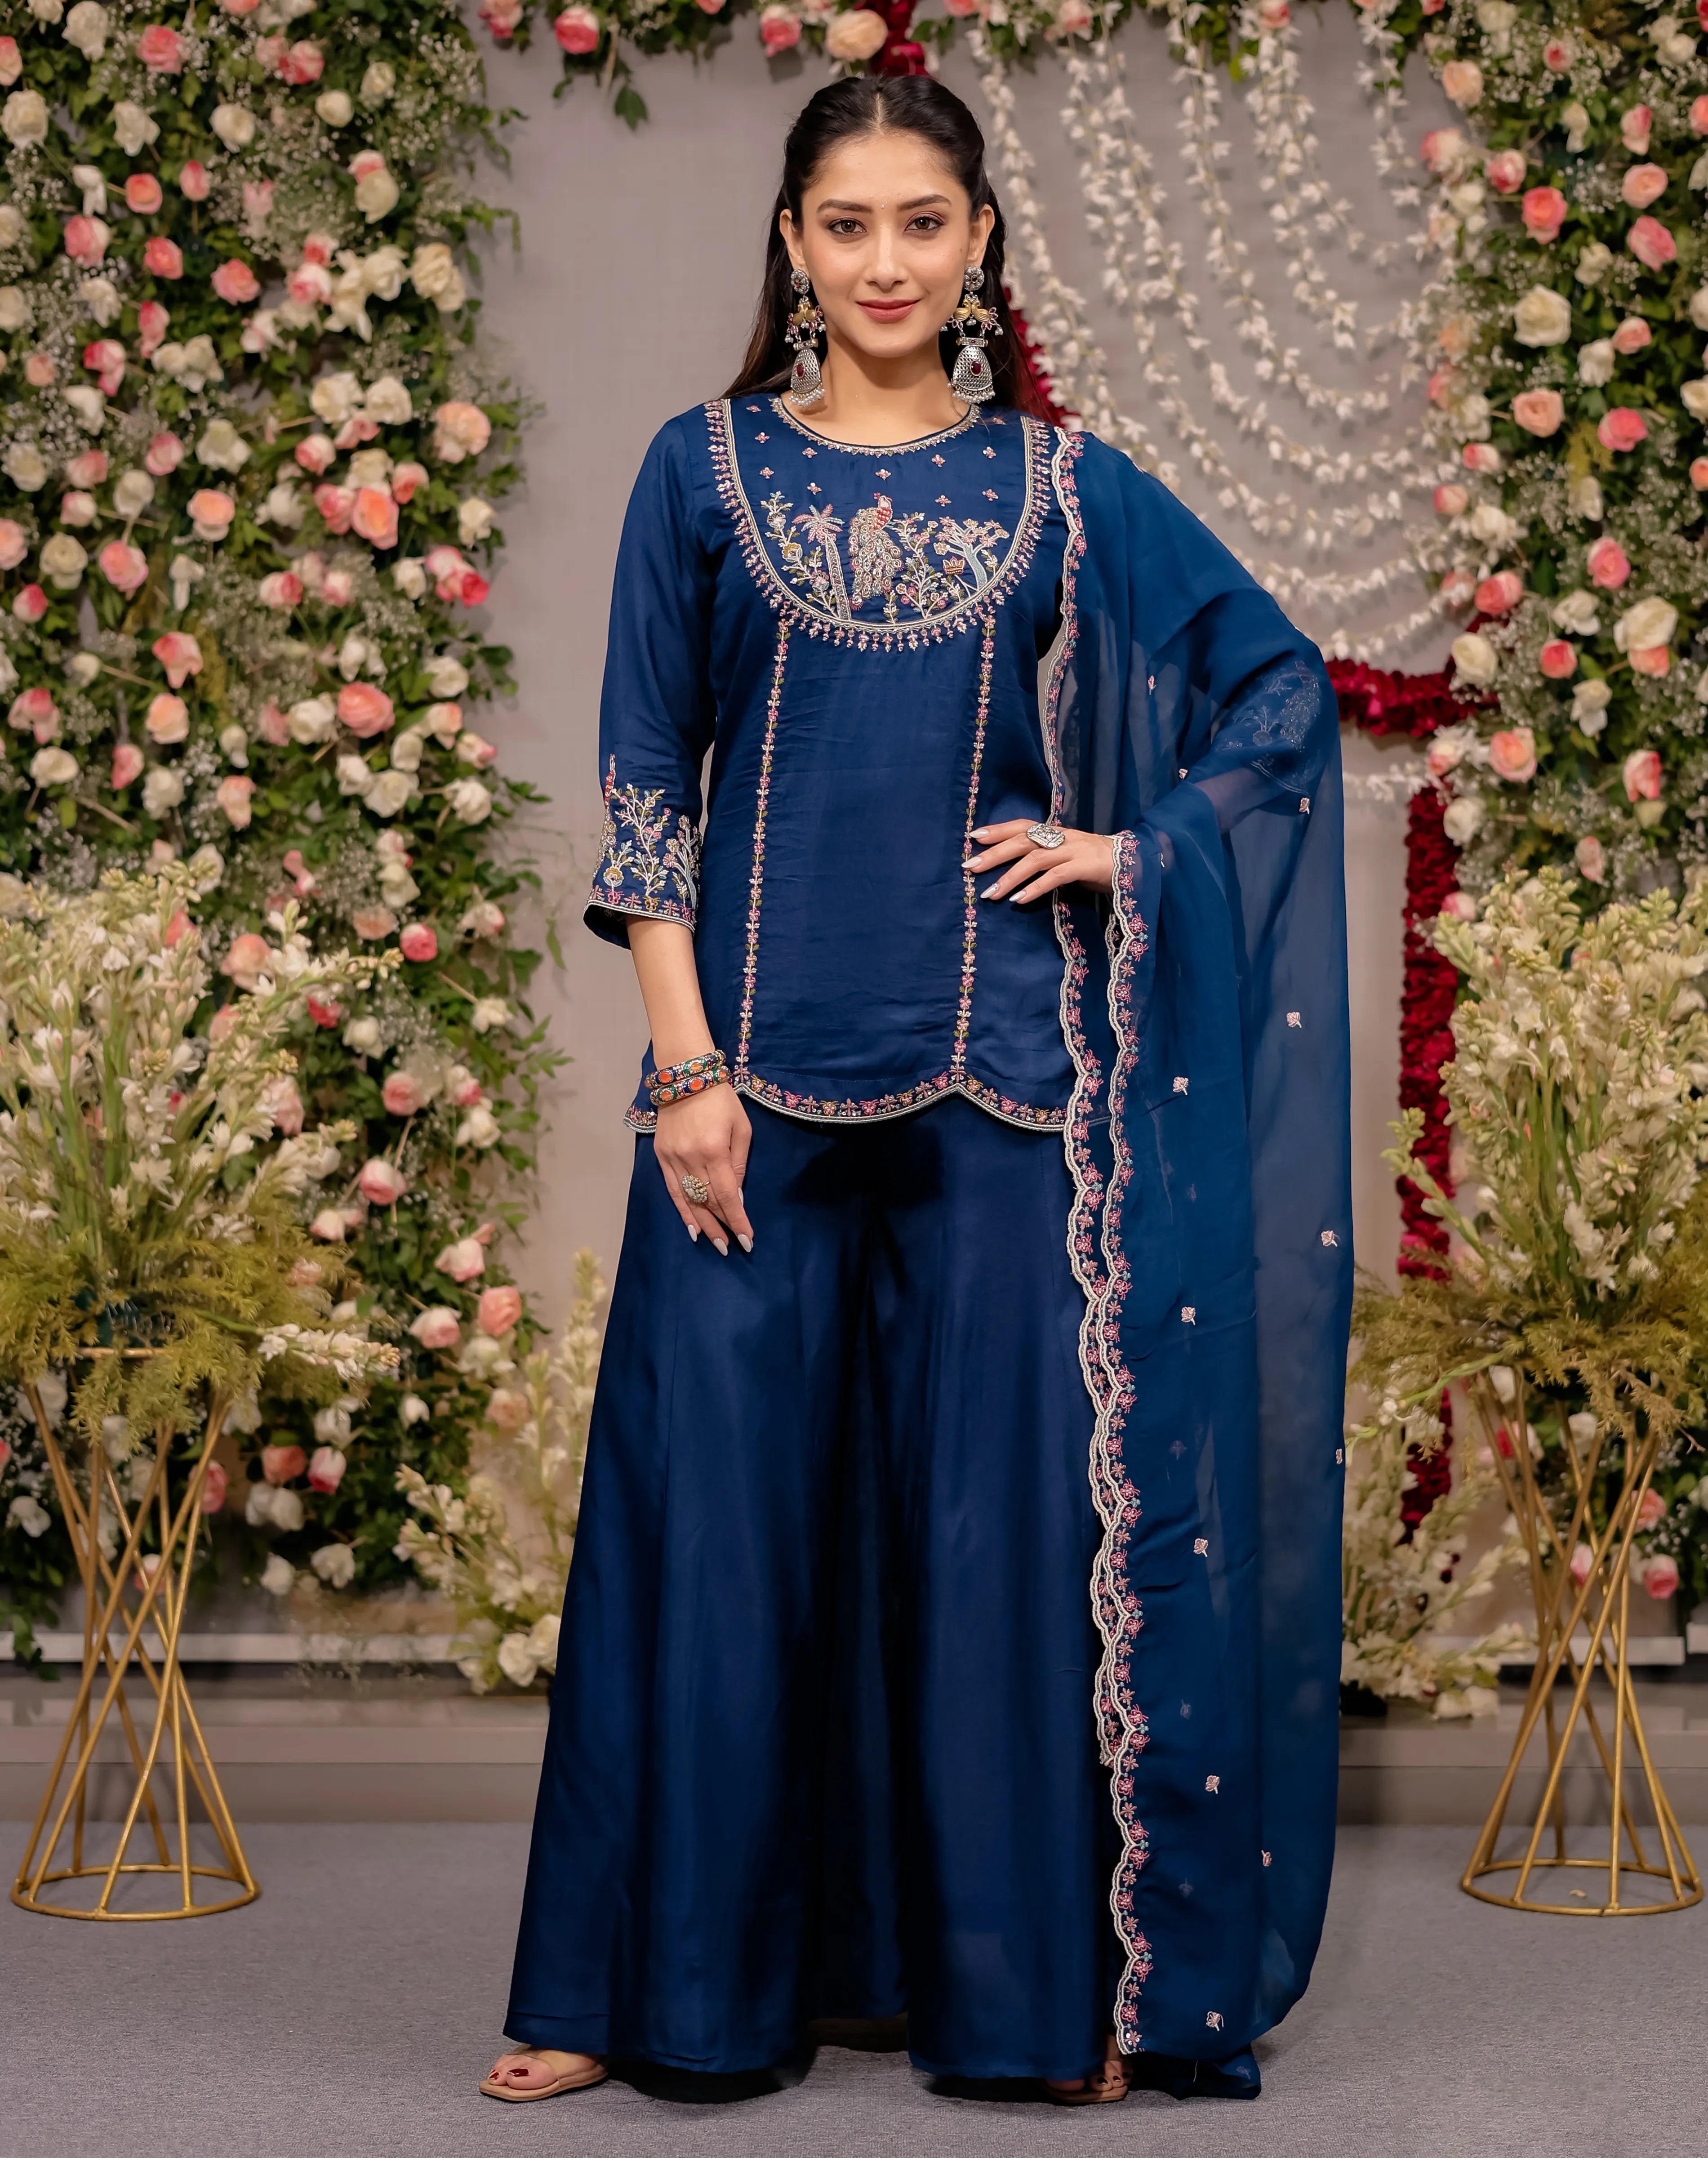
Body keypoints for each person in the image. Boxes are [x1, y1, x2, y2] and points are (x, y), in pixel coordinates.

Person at [484, 71, 1351, 2109]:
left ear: (979, 245)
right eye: (847, 222)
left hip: (1006, 1099)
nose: (885, 261)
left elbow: (1270, 691)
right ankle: (633, 1997)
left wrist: (1133, 850)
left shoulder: (1062, 491)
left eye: (924, 222)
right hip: (748, 1093)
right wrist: (682, 1069)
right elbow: (639, 792)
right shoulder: (695, 474)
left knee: (994, 1547)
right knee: (708, 1539)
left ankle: (1028, 1995)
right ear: (790, 243)